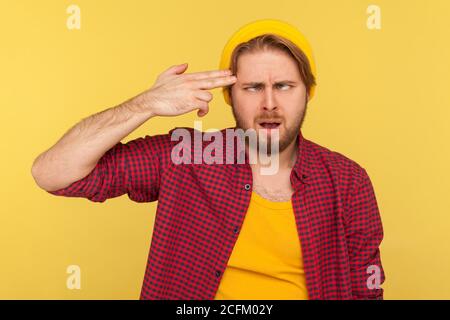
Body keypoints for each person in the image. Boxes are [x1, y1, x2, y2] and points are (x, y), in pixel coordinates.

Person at [31, 19, 385, 300]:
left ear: (308, 92)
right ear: (230, 96)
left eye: (284, 86)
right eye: (252, 87)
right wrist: (146, 104)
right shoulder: (187, 156)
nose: (269, 104)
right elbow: (52, 173)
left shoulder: (347, 180)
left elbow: (366, 289)